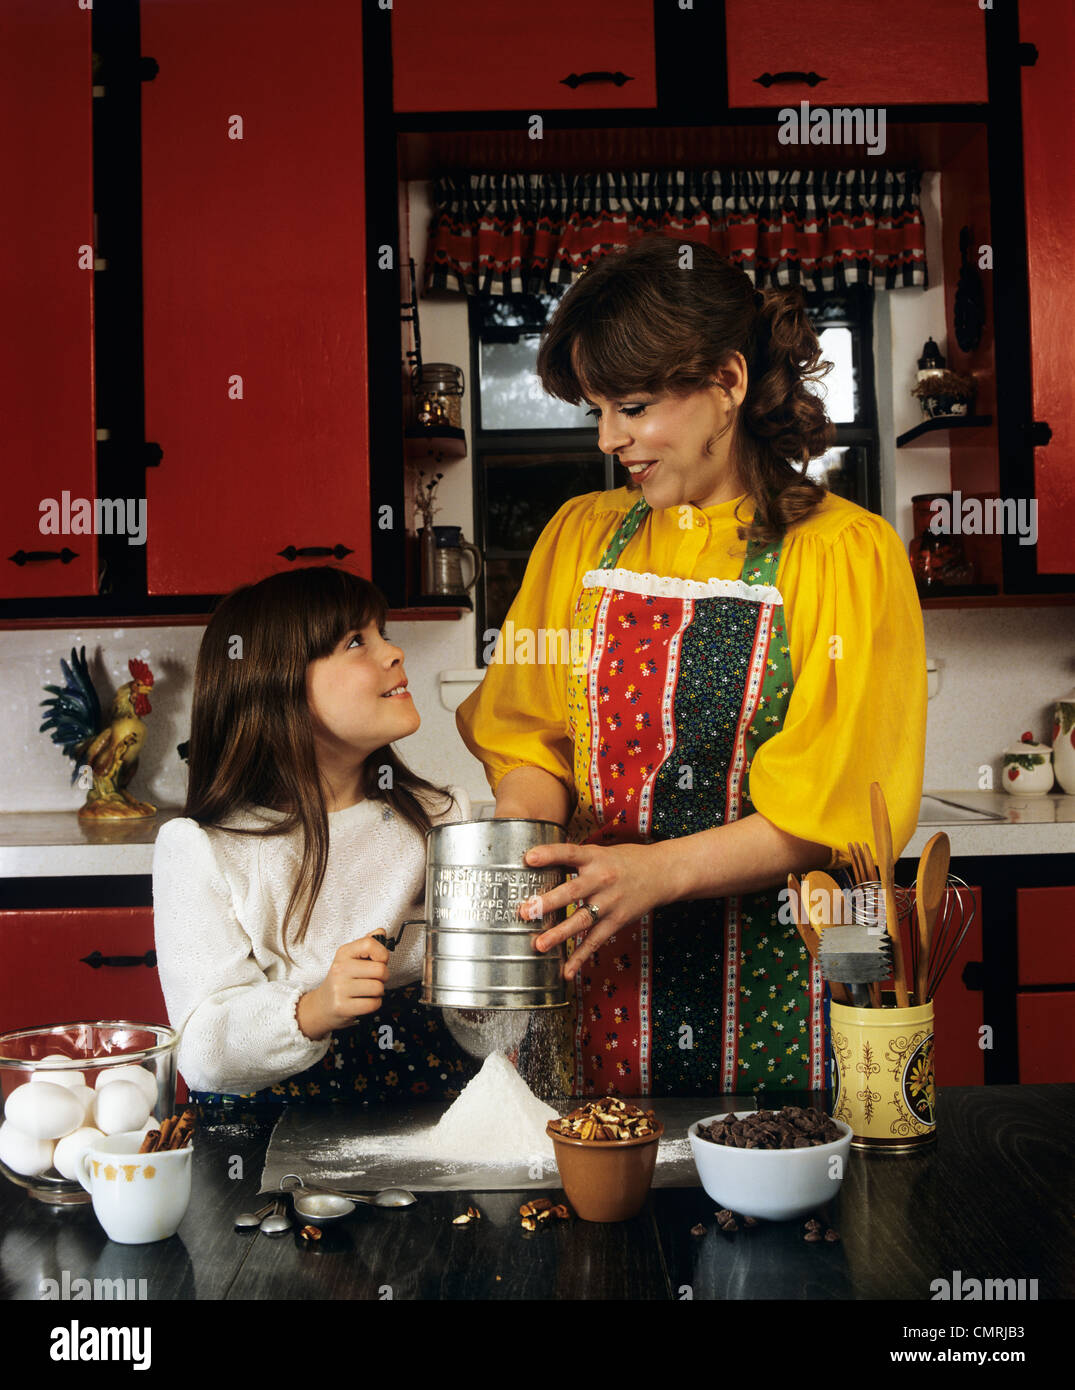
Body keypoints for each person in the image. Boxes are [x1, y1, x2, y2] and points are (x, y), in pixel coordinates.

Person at [456, 236, 927, 1098]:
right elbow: (528, 738)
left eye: (632, 407)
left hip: (773, 988)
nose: (610, 440)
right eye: (597, 411)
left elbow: (837, 809)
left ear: (728, 384)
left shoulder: (845, 555)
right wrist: (534, 851)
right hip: (589, 977)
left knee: (764, 1216)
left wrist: (656, 872)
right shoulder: (579, 536)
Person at [153, 566, 477, 1105]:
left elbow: (486, 1036)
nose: (393, 652)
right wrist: (315, 1008)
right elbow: (203, 1054)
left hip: (436, 1123)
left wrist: (500, 976)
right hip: (270, 1139)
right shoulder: (204, 849)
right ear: (278, 686)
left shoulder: (443, 819)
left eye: (383, 633)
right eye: (356, 641)